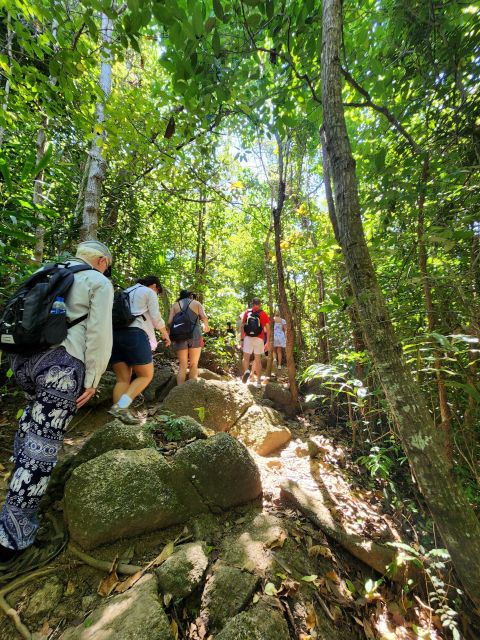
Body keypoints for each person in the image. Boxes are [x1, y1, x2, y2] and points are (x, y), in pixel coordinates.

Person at [0, 240, 114, 564]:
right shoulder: (97, 281)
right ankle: (12, 541)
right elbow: (99, 335)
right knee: (40, 450)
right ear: (102, 261)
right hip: (61, 369)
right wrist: (93, 379)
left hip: (23, 362)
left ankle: (14, 503)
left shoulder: (47, 270)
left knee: (29, 433)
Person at [109, 276, 171, 424]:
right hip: (135, 335)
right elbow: (156, 317)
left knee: (122, 379)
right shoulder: (148, 292)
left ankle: (117, 421)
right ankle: (121, 407)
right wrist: (165, 334)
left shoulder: (125, 292)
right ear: (154, 286)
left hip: (114, 335)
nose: (156, 293)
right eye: (158, 291)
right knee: (146, 375)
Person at [168, 290, 209, 385]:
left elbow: (169, 322)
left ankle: (179, 392)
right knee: (194, 364)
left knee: (182, 365)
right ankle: (191, 392)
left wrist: (169, 336)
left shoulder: (175, 305)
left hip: (179, 336)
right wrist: (206, 326)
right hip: (195, 335)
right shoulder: (196, 303)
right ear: (190, 296)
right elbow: (204, 317)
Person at [241, 297, 270, 387]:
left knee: (246, 358)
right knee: (258, 360)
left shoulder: (247, 312)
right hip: (259, 338)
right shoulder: (263, 314)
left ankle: (246, 371)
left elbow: (242, 326)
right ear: (260, 304)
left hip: (248, 338)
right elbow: (268, 329)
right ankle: (258, 382)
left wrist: (241, 340)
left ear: (252, 304)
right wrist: (268, 341)